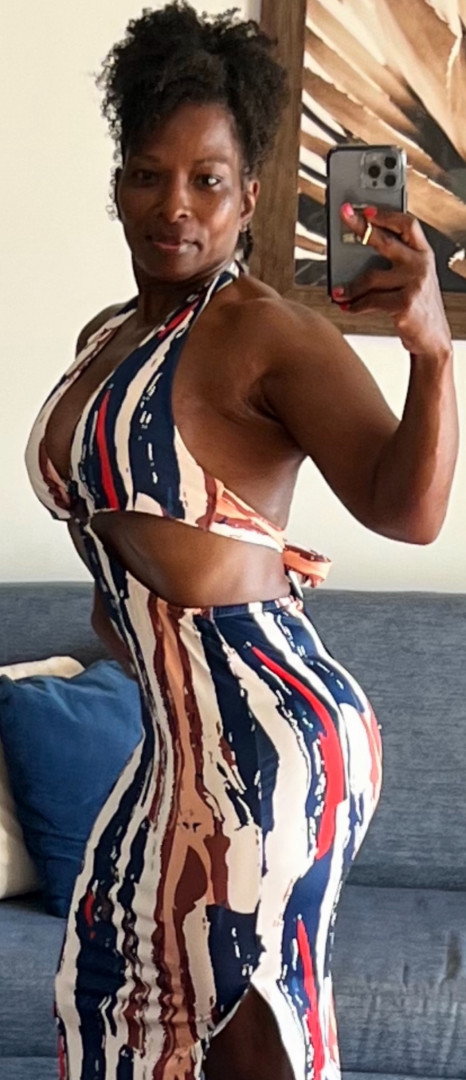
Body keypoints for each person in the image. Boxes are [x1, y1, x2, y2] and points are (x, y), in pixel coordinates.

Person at [25, 4, 458, 1079]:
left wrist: (431, 356)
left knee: (244, 1029)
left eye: (207, 180)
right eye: (148, 174)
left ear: (248, 197)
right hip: (172, 747)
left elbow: (407, 512)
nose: (174, 204)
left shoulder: (266, 330)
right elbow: (120, 538)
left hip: (271, 741)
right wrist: (132, 619)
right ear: (118, 184)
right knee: (119, 997)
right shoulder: (107, 337)